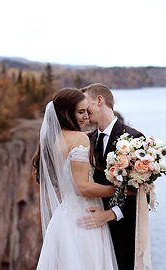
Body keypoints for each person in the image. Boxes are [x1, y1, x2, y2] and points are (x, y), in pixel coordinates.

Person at [32, 88, 118, 270]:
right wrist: (118, 189)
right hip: (84, 219)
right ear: (65, 113)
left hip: (64, 218)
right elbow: (82, 187)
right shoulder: (80, 139)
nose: (86, 116)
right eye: (80, 112)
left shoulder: (51, 140)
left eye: (87, 111)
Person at [78, 83, 149, 270]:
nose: (85, 112)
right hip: (94, 233)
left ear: (99, 100)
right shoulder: (88, 140)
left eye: (86, 105)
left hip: (123, 233)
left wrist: (109, 215)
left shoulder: (133, 139)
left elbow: (142, 192)